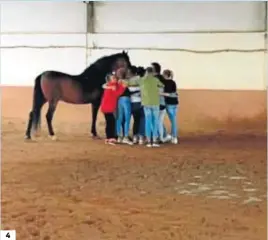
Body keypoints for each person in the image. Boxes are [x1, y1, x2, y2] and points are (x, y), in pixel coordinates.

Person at [128, 67, 164, 147]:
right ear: (152, 72)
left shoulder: (142, 80)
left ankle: (148, 141)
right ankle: (154, 140)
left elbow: (130, 83)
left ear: (146, 72)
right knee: (155, 121)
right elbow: (162, 86)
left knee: (148, 121)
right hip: (155, 103)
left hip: (146, 103)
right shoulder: (155, 80)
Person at [100, 69, 127, 145]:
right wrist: (123, 87)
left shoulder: (111, 85)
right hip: (107, 108)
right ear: (110, 80)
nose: (115, 78)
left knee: (110, 122)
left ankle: (109, 138)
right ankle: (110, 138)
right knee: (110, 122)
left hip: (107, 107)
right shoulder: (112, 85)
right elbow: (117, 94)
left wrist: (121, 84)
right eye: (113, 78)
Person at [151, 62, 171, 143]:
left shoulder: (152, 79)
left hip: (154, 102)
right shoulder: (163, 79)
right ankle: (162, 136)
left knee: (155, 120)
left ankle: (158, 136)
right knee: (159, 121)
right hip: (161, 102)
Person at [127, 66, 145, 144]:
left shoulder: (128, 81)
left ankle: (135, 137)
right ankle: (141, 137)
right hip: (140, 102)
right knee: (142, 119)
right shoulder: (141, 80)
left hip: (132, 103)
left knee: (136, 120)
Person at [162, 69, 179, 144]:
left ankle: (172, 136)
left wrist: (159, 93)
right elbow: (174, 93)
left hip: (169, 103)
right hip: (175, 103)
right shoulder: (173, 82)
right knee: (174, 120)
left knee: (171, 120)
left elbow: (168, 94)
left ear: (165, 75)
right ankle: (174, 137)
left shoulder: (164, 82)